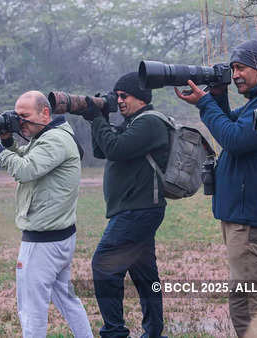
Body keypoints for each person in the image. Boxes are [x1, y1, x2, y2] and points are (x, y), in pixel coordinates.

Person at [175, 40, 257, 337]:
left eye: (241, 67)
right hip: (245, 217)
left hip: (252, 220)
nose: (236, 74)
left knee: (249, 307)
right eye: (232, 69)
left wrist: (205, 103)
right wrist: (216, 97)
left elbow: (235, 139)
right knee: (244, 302)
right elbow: (235, 124)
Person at [0, 90, 92, 338]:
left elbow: (25, 170)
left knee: (31, 309)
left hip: (43, 242)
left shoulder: (54, 140)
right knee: (67, 300)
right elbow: (28, 157)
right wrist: (6, 141)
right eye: (16, 116)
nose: (20, 122)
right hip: (59, 237)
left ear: (45, 113)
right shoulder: (54, 135)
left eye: (24, 116)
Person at [82, 72, 170, 337]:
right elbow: (102, 149)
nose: (119, 100)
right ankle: (154, 332)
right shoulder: (134, 122)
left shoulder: (149, 123)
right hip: (136, 209)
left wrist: (97, 117)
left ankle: (114, 331)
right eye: (116, 96)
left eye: (124, 96)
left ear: (141, 98)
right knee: (145, 275)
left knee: (104, 265)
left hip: (138, 210)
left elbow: (115, 149)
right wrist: (100, 116)